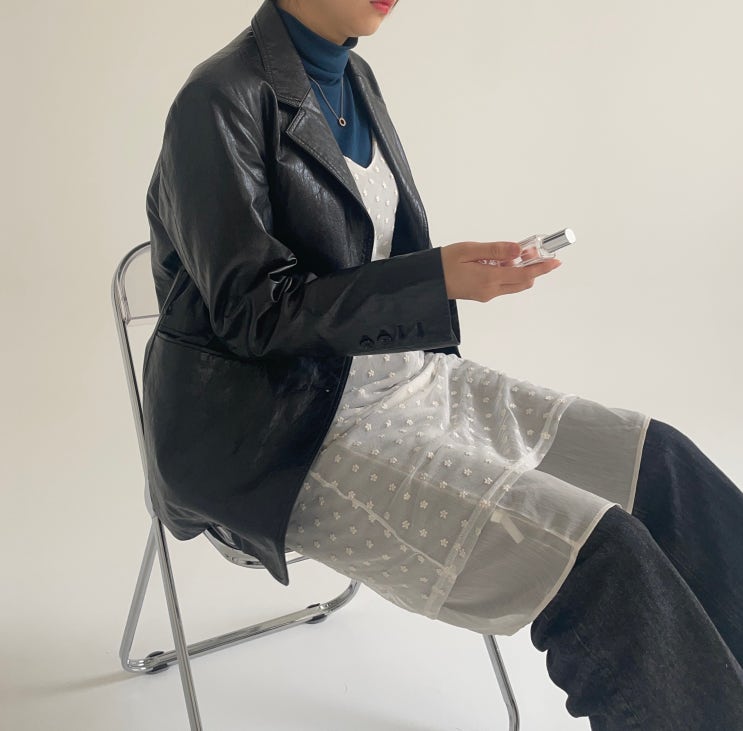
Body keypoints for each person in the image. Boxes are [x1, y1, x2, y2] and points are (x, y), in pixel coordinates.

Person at [143, 0, 743, 727]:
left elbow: (362, 256)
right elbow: (254, 315)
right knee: (602, 557)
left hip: (407, 380)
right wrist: (433, 280)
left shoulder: (352, 77)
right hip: (284, 432)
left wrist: (449, 274)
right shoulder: (216, 101)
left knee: (663, 465)